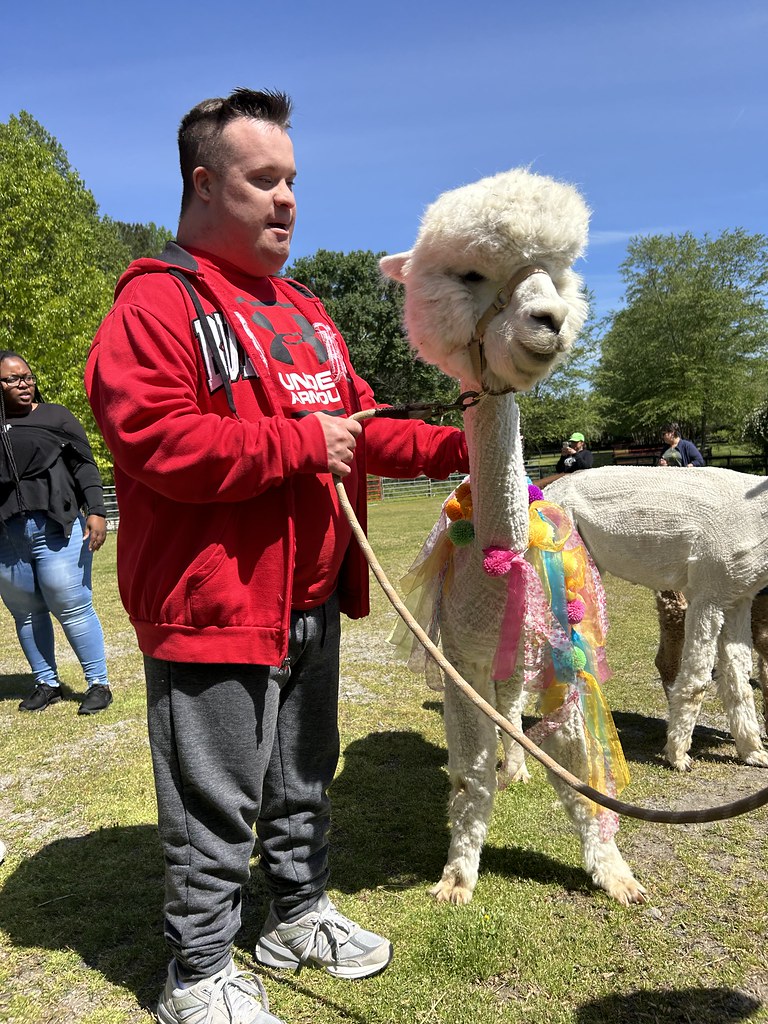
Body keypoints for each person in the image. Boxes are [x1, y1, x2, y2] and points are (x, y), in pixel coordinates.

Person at [85, 88, 469, 1024]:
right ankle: (199, 968)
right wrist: (300, 443)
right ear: (205, 185)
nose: (289, 199)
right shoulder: (156, 303)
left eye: (294, 180)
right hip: (213, 605)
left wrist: (468, 441)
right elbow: (153, 439)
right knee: (214, 801)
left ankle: (298, 915)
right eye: (266, 180)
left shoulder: (304, 309)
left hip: (306, 596)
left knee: (303, 777)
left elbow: (362, 429)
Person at [0, 352, 112, 715]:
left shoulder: (56, 417)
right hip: (7, 535)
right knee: (26, 612)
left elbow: (84, 465)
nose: (24, 383)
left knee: (70, 602)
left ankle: (98, 684)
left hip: (57, 526)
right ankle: (46, 682)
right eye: (13, 379)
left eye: (27, 376)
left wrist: (96, 510)